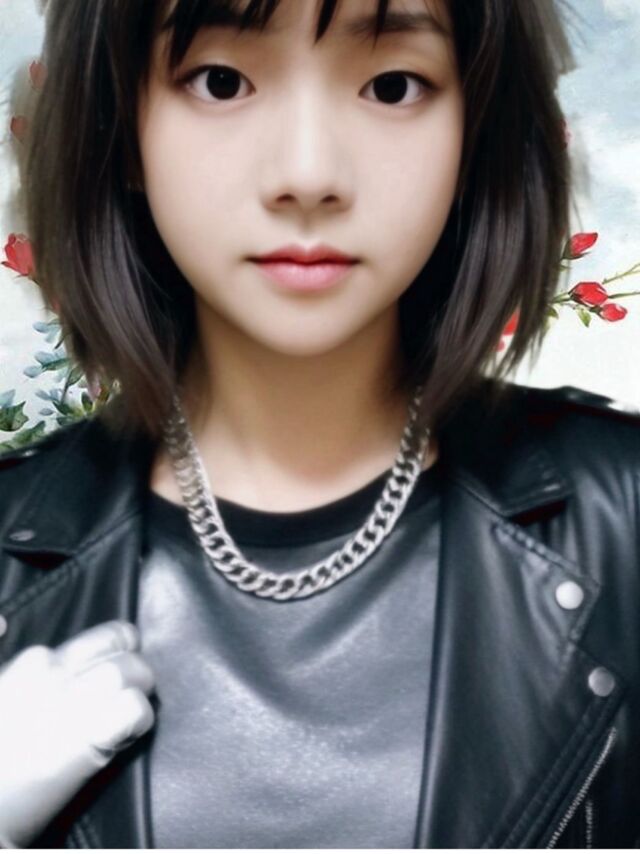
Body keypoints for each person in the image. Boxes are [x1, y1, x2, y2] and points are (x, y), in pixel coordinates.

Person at [0, 0, 639, 847]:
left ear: (475, 134)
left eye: (393, 85)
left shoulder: (624, 517)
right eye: (220, 81)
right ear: (120, 131)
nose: (307, 175)